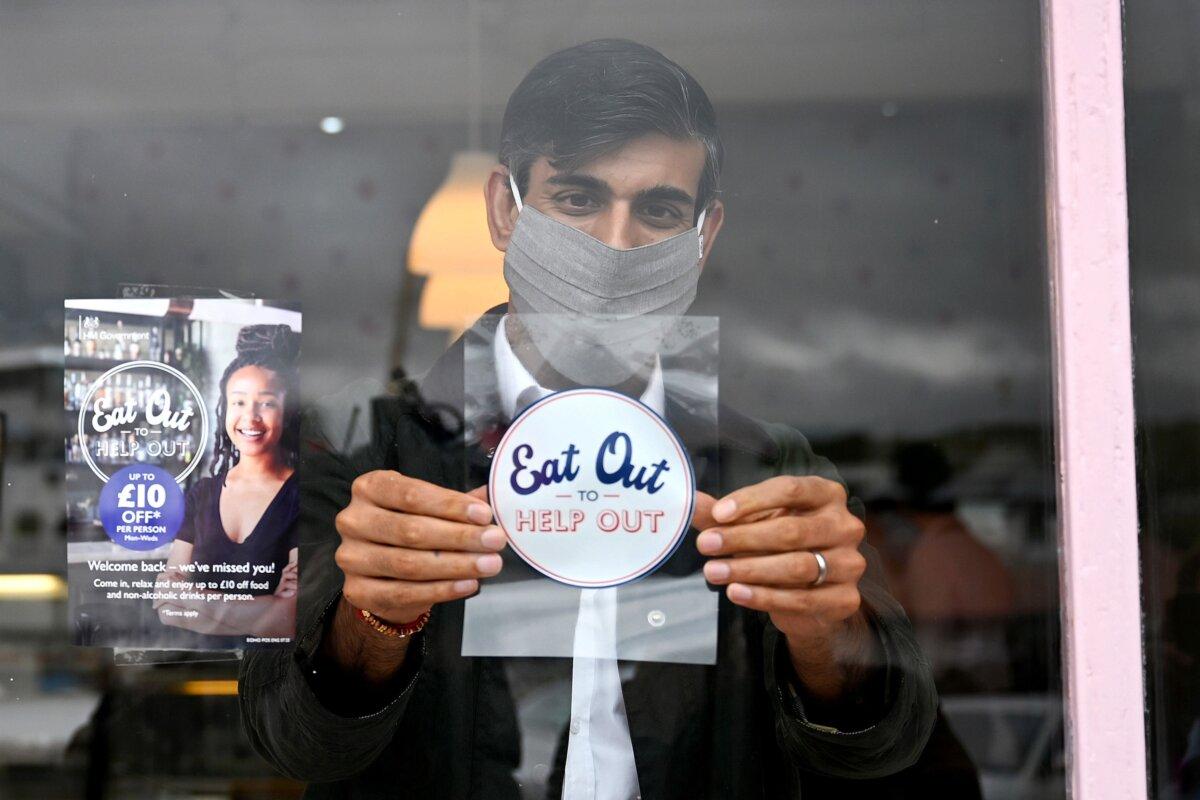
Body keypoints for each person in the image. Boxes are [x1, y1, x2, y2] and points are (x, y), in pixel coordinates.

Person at [240, 39, 937, 798]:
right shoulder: (364, 457)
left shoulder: (770, 469)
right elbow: (288, 739)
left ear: (704, 235)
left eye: (660, 209)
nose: (613, 245)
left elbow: (885, 748)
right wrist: (370, 619)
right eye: (577, 198)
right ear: (506, 209)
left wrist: (824, 625)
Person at [154, 324, 300, 644]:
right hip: (199, 666)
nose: (251, 418)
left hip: (269, 673)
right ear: (225, 408)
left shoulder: (303, 497)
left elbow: (289, 619)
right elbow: (164, 604)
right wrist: (264, 611)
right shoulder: (202, 493)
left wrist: (191, 601)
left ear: (287, 412)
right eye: (239, 402)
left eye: (267, 403)